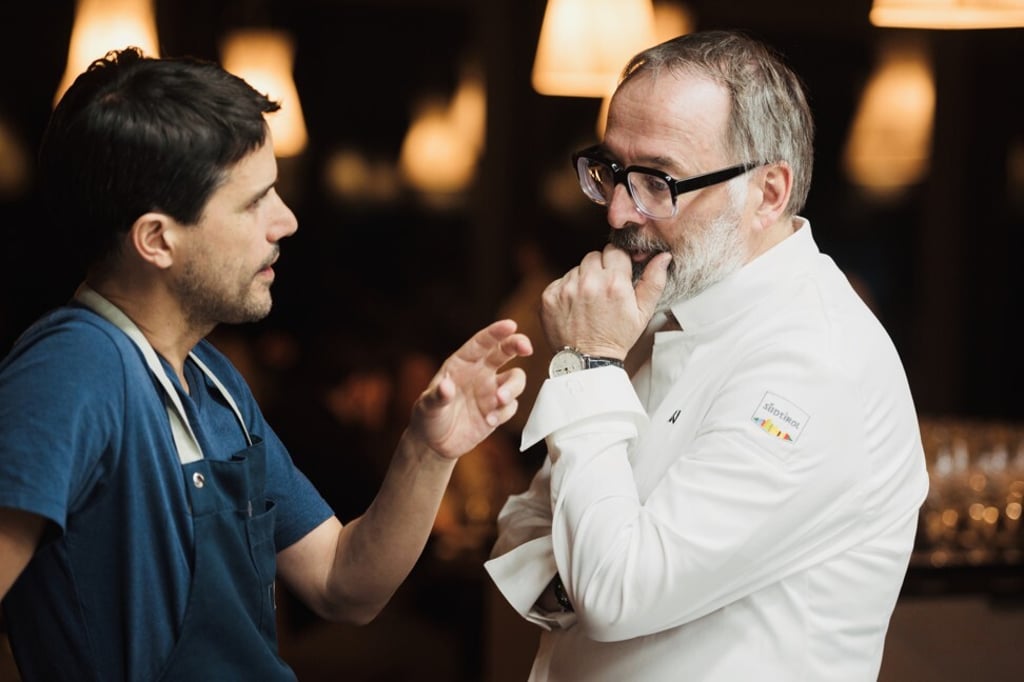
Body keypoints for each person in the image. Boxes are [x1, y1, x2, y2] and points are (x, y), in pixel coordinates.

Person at [0, 47, 532, 680]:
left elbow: (344, 583)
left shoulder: (214, 382)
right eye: (254, 202)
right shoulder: (71, 367)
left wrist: (428, 449)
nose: (287, 220)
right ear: (156, 239)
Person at [485, 30, 928, 681]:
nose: (616, 211)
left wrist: (588, 363)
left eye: (658, 182)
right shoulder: (669, 307)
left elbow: (613, 593)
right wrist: (586, 572)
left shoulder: (814, 363)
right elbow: (523, 525)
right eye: (611, 171)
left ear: (769, 192)